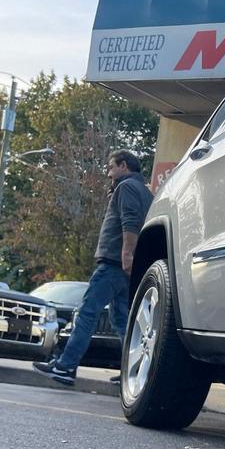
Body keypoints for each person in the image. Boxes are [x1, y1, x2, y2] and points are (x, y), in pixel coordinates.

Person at [34, 150, 152, 385]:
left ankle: (65, 367)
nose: (108, 172)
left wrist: (126, 253)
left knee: (87, 313)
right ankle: (135, 372)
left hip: (113, 264)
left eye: (111, 166)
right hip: (126, 266)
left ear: (124, 165)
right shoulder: (145, 192)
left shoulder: (127, 187)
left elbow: (129, 221)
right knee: (123, 321)